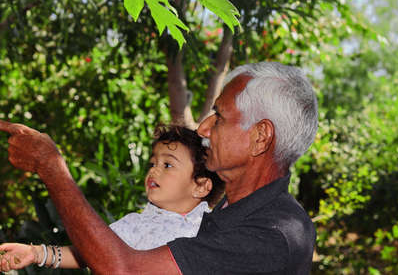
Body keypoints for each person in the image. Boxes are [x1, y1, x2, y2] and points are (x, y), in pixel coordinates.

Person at [0, 61, 319, 274]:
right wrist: (42, 253)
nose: (204, 129)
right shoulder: (223, 209)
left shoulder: (273, 235)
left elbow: (124, 268)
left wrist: (51, 167)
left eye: (219, 117)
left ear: (260, 137)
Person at [0, 125, 224, 271]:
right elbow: (90, 252)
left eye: (168, 165)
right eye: (153, 164)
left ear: (201, 186)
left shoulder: (212, 230)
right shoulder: (135, 224)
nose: (154, 171)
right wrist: (36, 253)